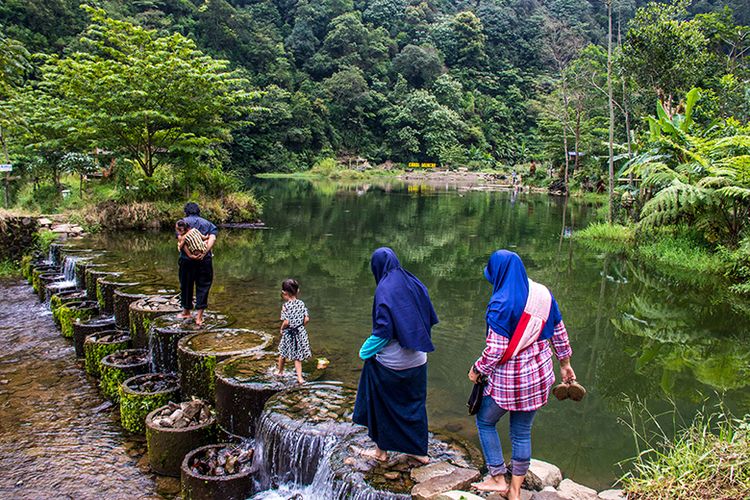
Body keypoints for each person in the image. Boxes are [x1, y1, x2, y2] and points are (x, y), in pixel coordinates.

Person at [468, 250, 576, 499]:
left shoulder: (500, 304)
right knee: (521, 432)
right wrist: (565, 364)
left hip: (510, 382)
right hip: (538, 378)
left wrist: (477, 370)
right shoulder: (543, 294)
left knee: (485, 421)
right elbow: (559, 331)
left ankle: (497, 477)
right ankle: (515, 490)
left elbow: (495, 350)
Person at [352, 247, 439, 463]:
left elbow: (383, 331)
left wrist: (364, 351)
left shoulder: (385, 289)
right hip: (419, 359)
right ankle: (418, 451)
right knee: (414, 404)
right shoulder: (413, 281)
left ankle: (381, 452)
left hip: (393, 364)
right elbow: (426, 317)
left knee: (381, 402)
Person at [176, 202, 218, 326]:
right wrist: (204, 253)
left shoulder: (181, 223)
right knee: (203, 285)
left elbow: (181, 241)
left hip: (187, 261)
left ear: (186, 212)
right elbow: (212, 238)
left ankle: (186, 311)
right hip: (204, 260)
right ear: (199, 211)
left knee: (186, 285)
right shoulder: (208, 224)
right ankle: (199, 317)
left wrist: (190, 255)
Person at [277, 278, 311, 384]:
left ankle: (280, 372)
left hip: (289, 334)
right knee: (298, 357)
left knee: (283, 353)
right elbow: (306, 319)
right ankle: (300, 378)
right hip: (300, 332)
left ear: (284, 292)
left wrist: (282, 329)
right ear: (298, 291)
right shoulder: (301, 303)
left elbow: (286, 322)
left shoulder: (286, 306)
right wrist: (300, 326)